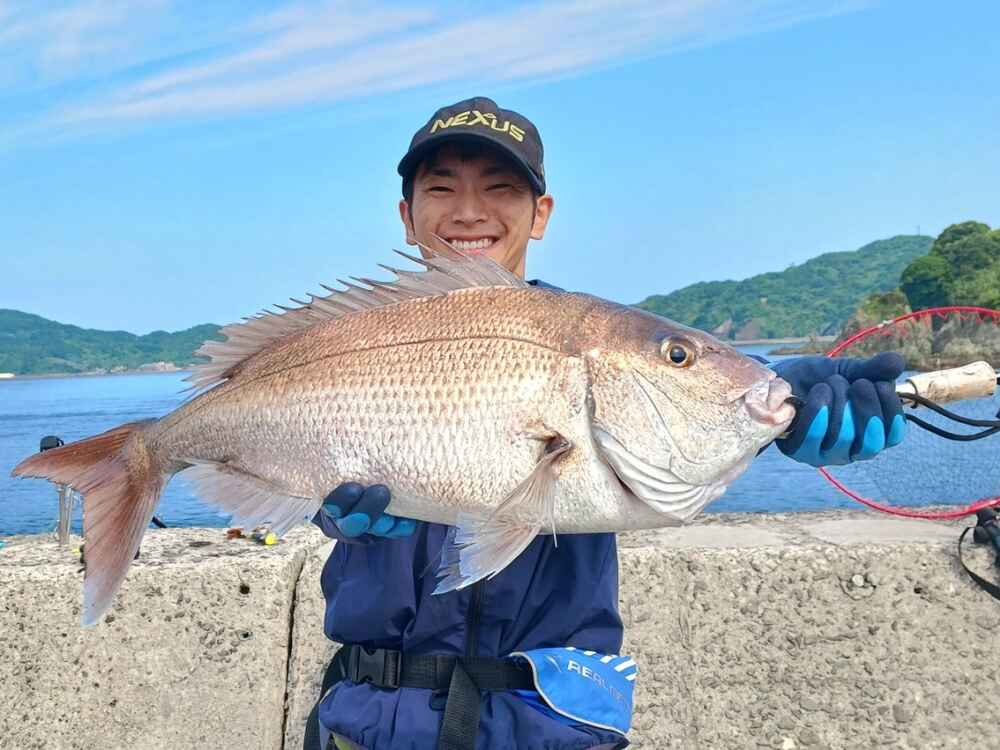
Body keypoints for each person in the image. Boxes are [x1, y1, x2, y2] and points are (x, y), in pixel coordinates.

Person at [307, 96, 907, 750]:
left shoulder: (591, 332)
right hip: (374, 720)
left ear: (541, 214)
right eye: (442, 188)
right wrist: (315, 504)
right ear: (407, 214)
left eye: (501, 188)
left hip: (550, 724)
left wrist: (783, 402)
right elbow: (288, 447)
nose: (470, 211)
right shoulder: (347, 339)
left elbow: (656, 415)